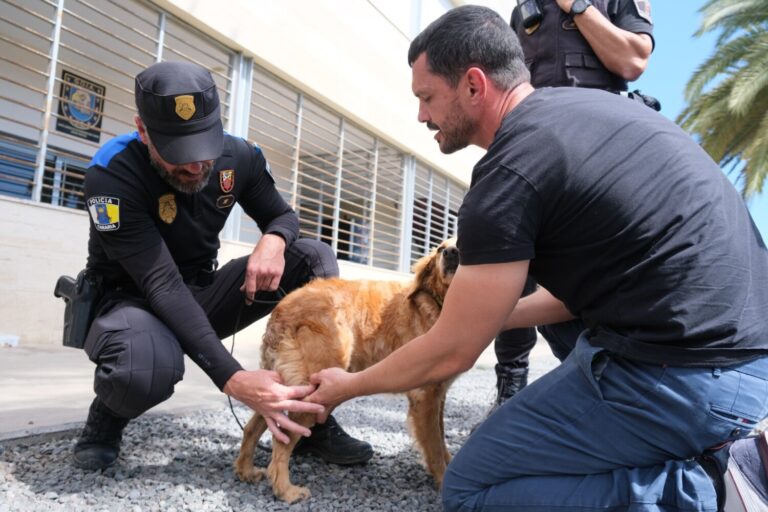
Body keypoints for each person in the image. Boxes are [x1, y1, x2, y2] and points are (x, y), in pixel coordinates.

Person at [307, 6, 768, 510]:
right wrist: (482, 313)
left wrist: (347, 386)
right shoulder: (590, 114)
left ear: (474, 86)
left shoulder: (510, 171)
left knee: (470, 489)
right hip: (739, 360)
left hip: (686, 379)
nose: (422, 115)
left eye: (426, 97)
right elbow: (586, 293)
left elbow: (452, 352)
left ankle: (713, 490)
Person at [73, 61, 373, 471]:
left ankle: (309, 420)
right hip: (133, 302)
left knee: (313, 259)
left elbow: (283, 216)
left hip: (201, 290)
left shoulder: (239, 157)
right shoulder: (112, 175)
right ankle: (107, 416)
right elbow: (161, 284)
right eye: (180, 154)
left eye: (203, 149)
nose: (196, 166)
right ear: (143, 132)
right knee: (143, 370)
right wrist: (234, 379)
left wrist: (274, 239)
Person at [489, 0, 656, 412]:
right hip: (537, 144)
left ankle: (607, 386)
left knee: (601, 269)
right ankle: (511, 386)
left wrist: (577, 6)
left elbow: (633, 61)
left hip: (604, 146)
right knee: (514, 258)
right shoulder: (522, 9)